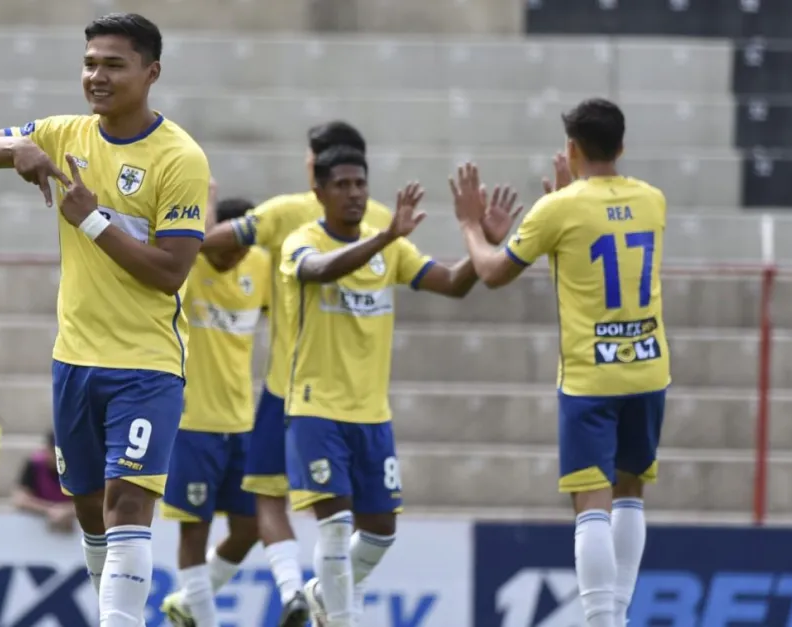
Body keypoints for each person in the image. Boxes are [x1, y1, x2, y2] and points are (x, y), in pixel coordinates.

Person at [0, 12, 211, 626]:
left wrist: (92, 221)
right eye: (90, 63)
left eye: (113, 64)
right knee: (90, 506)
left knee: (128, 500)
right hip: (75, 360)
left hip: (146, 363)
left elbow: (171, 271)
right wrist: (19, 147)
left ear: (152, 73)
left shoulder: (180, 158)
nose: (97, 76)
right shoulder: (65, 134)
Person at [278, 146, 519, 626]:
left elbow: (452, 283)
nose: (353, 194)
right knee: (334, 525)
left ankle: (319, 592)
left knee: (381, 531)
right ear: (319, 191)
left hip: (371, 414)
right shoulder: (301, 241)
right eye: (342, 185)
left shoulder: (389, 249)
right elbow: (320, 270)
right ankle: (342, 618)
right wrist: (387, 236)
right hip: (316, 408)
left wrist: (484, 246)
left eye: (360, 184)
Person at [455, 98, 670, 627]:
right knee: (630, 492)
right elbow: (595, 236)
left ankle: (601, 619)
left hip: (590, 376)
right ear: (621, 146)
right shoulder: (653, 200)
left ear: (571, 148)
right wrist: (567, 196)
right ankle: (617, 614)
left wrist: (469, 226)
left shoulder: (559, 209)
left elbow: (491, 272)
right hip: (647, 366)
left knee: (590, 501)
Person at [201, 122, 391, 622]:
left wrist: (200, 212)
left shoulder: (287, 212)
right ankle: (317, 600)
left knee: (270, 498)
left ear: (313, 165)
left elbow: (209, 243)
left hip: (289, 388)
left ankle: (292, 593)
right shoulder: (381, 222)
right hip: (356, 395)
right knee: (349, 521)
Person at [159, 197, 272, 627]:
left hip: (243, 423)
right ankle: (203, 618)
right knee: (195, 530)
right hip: (192, 424)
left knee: (250, 528)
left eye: (243, 246)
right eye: (229, 245)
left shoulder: (260, 265)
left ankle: (188, 602)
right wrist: (205, 195)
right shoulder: (189, 267)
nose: (236, 255)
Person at [13, 432, 76, 533]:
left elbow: (94, 502)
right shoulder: (34, 465)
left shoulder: (79, 468)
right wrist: (49, 510)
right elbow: (20, 499)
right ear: (47, 449)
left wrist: (67, 511)